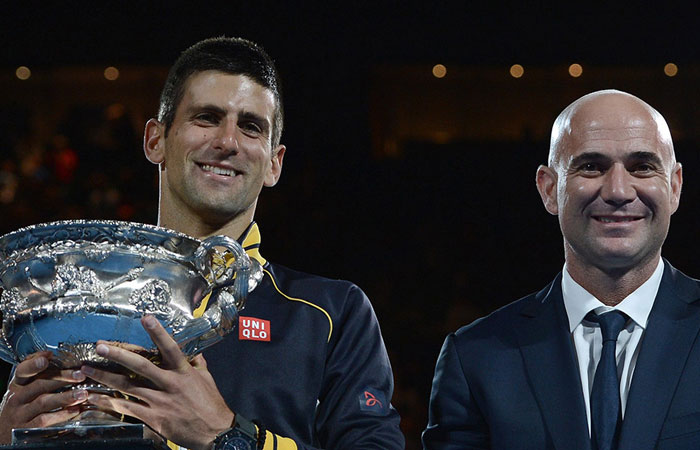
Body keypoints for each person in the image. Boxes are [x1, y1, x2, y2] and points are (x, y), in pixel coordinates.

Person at [0, 37, 404, 450]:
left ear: (274, 163)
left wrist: (224, 435)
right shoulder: (46, 308)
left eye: (250, 126)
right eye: (207, 118)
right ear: (155, 140)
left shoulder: (331, 314)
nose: (228, 142)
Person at [422, 90, 700, 449]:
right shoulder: (477, 357)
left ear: (675, 187)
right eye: (591, 166)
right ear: (549, 189)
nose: (618, 191)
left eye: (642, 167)